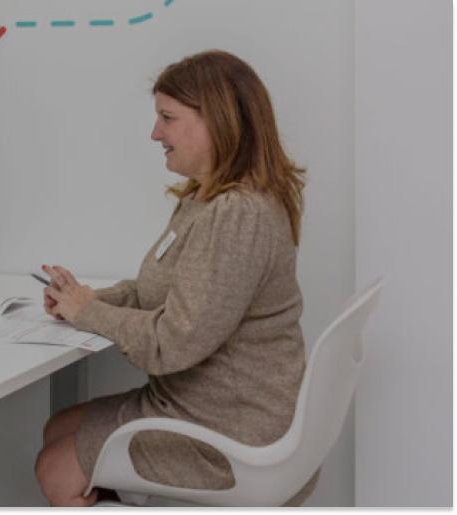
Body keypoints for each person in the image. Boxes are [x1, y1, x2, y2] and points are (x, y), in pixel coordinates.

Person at [34, 50, 313, 507]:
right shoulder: (205, 197)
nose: (155, 133)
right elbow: (159, 292)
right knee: (57, 427)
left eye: (167, 118)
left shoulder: (238, 214)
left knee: (56, 469)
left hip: (230, 430)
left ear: (218, 122)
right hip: (198, 405)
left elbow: (173, 343)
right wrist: (83, 300)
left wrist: (91, 313)